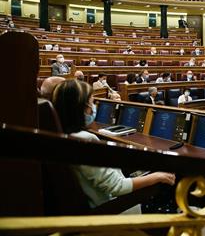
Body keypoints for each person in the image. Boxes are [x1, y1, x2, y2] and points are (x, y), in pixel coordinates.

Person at [51, 80, 175, 214]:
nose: (93, 108)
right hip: (114, 208)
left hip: (93, 204)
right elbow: (118, 187)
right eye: (92, 102)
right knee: (166, 184)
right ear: (82, 108)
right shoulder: (85, 140)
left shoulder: (61, 134)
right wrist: (158, 176)